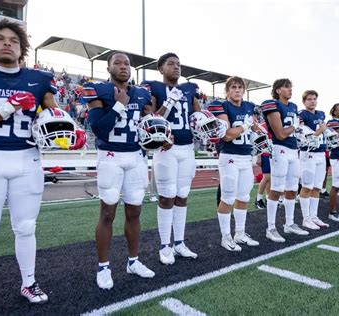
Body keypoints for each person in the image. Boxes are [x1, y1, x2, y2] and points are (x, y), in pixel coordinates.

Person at [0, 19, 58, 303]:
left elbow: (55, 115)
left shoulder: (39, 80)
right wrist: (9, 106)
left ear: (22, 48)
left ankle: (29, 282)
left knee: (26, 227)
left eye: (14, 40)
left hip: (28, 159)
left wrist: (62, 127)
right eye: (0, 38)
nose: (7, 43)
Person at [84, 51, 155, 290]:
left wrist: (160, 137)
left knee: (134, 212)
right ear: (108, 68)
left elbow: (150, 124)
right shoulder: (99, 90)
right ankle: (104, 266)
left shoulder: (143, 93)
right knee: (107, 213)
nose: (123, 66)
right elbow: (99, 129)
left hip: (136, 157)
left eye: (126, 63)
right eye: (117, 62)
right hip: (111, 156)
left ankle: (133, 261)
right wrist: (118, 106)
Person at [141, 53, 200, 265]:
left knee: (182, 195)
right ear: (160, 68)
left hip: (188, 147)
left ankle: (180, 243)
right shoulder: (153, 87)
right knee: (167, 195)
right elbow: (152, 118)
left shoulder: (190, 88)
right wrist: (170, 101)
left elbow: (198, 116)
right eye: (171, 64)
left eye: (178, 64)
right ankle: (165, 245)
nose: (176, 67)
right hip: (166, 149)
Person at [209, 76, 259, 251]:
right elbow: (227, 135)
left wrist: (257, 132)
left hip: (246, 157)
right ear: (227, 90)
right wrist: (245, 127)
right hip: (229, 156)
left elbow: (254, 129)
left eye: (240, 87)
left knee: (244, 196)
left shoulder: (249, 107)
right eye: (233, 87)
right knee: (228, 197)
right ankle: (226, 237)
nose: (237, 90)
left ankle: (240, 233)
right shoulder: (222, 106)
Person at [261, 79, 307, 243]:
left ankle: (289, 223)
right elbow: (280, 134)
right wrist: (294, 127)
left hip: (294, 150)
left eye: (290, 87)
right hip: (280, 149)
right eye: (286, 87)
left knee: (292, 189)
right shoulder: (272, 104)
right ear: (278, 90)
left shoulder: (293, 107)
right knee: (276, 189)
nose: (290, 90)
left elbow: (292, 131)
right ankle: (271, 227)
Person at [298, 90, 330, 230]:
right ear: (304, 101)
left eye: (314, 98)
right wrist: (319, 131)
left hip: (320, 153)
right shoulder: (302, 115)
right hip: (308, 153)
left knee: (317, 187)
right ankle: (306, 218)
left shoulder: (321, 113)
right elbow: (304, 137)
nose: (312, 101)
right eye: (309, 99)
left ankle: (314, 216)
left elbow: (325, 131)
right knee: (307, 186)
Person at [255, 121, 271, 209]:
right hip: (265, 153)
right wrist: (259, 156)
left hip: (272, 153)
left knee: (270, 178)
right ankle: (259, 199)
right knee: (266, 177)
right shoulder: (262, 126)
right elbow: (258, 141)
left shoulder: (273, 123)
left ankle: (268, 198)